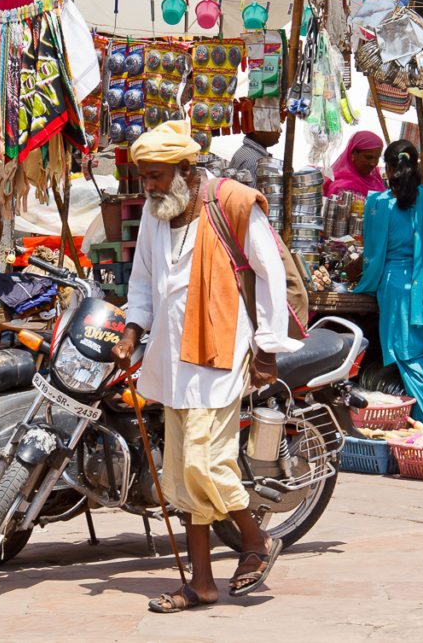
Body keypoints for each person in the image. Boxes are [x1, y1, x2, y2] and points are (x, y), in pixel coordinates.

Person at [111, 120, 299, 612]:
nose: (147, 187)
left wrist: (268, 347)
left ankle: (256, 541)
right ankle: (202, 583)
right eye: (143, 177)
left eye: (155, 176)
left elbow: (271, 271)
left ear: (184, 169)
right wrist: (131, 334)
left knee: (203, 463)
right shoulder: (156, 213)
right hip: (170, 361)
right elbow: (143, 282)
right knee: (182, 474)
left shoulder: (233, 201)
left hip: (221, 353)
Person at [356, 140, 423, 429]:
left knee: (409, 359)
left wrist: (362, 281)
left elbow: (372, 254)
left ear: (388, 168)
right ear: (415, 166)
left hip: (395, 289)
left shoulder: (377, 203)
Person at [322, 130, 386, 197]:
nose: (373, 163)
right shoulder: (342, 188)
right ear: (353, 154)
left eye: (377, 158)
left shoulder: (374, 182)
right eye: (368, 157)